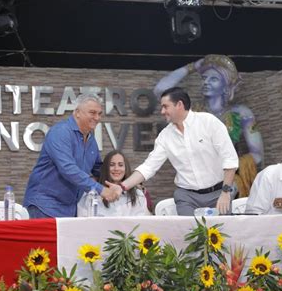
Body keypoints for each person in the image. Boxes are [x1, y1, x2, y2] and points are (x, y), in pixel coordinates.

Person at [154, 55, 263, 197]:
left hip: (230, 178)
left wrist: (233, 171)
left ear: (226, 85)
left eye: (214, 79)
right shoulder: (193, 112)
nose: (206, 82)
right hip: (196, 179)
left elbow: (258, 154)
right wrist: (193, 67)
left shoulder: (241, 113)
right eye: (204, 78)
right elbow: (160, 89)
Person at [119, 87, 239, 216]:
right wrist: (122, 187)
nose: (162, 111)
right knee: (189, 234)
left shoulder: (209, 122)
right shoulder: (165, 136)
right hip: (187, 197)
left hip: (220, 192)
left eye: (165, 106)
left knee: (222, 234)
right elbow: (149, 167)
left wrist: (226, 192)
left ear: (179, 105)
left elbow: (230, 159)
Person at [23, 93, 121, 218]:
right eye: (92, 113)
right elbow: (68, 169)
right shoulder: (60, 132)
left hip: (70, 209)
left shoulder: (91, 139)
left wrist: (122, 182)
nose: (97, 117)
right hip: (44, 207)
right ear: (77, 112)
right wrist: (101, 190)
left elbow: (98, 169)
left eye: (99, 113)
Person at [77, 150, 150, 217]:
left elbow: (143, 223)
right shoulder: (92, 194)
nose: (116, 169)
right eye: (112, 165)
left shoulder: (138, 195)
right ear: (105, 168)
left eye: (120, 165)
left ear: (126, 168)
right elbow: (84, 222)